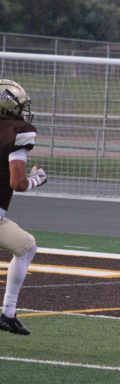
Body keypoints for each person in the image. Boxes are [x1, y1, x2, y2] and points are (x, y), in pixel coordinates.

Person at [0, 79, 47, 335]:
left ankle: (8, 314)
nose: (22, 111)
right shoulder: (18, 132)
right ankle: (7, 313)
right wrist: (37, 180)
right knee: (27, 248)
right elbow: (17, 183)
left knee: (26, 245)